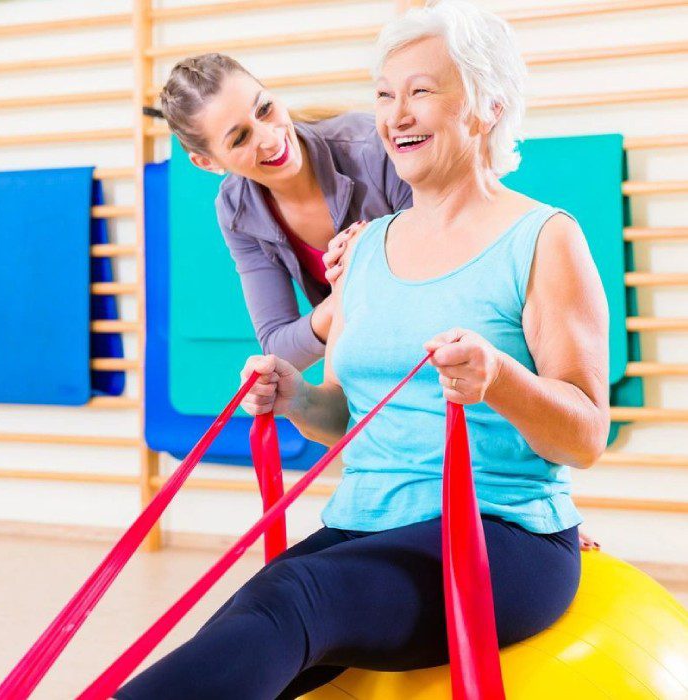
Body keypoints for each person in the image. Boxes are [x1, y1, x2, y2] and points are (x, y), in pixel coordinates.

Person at [115, 2, 609, 698]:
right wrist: (294, 397)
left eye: (421, 92)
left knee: (293, 599)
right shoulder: (364, 251)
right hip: (366, 523)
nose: (396, 113)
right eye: (384, 95)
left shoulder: (545, 239)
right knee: (245, 624)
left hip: (501, 537)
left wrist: (497, 378)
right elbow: (348, 418)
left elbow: (586, 436)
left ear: (486, 107)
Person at [159, 53, 412, 369]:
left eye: (264, 109)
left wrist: (363, 269)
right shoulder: (237, 210)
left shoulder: (374, 150)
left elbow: (438, 280)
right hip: (370, 370)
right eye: (240, 138)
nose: (270, 138)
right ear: (208, 163)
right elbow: (278, 347)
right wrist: (344, 296)